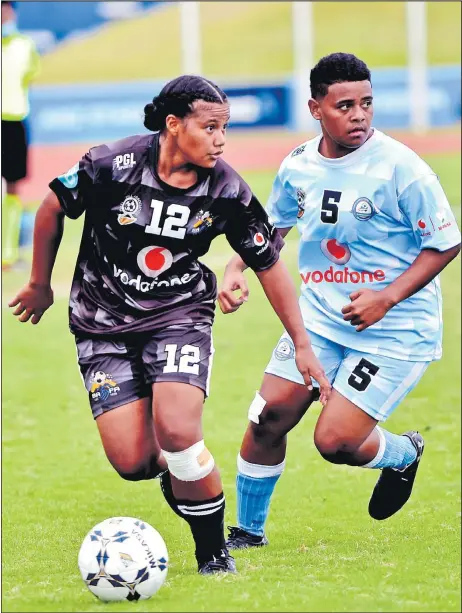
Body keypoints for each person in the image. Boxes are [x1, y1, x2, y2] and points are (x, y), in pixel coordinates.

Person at [8, 75, 331, 575]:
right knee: (132, 462)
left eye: (225, 128)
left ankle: (212, 554)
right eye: (210, 127)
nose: (221, 139)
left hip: (178, 317)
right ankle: (179, 475)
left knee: (179, 431)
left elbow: (269, 265)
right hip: (101, 324)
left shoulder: (226, 189)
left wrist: (302, 343)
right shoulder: (110, 164)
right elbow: (52, 206)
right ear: (173, 124)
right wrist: (38, 283)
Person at [219, 53, 461, 550]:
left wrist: (387, 299)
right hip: (320, 321)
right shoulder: (299, 164)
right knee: (268, 418)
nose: (359, 115)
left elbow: (446, 241)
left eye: (367, 103)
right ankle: (248, 531)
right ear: (315, 108)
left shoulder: (402, 168)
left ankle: (402, 454)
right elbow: (274, 230)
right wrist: (237, 266)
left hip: (396, 329)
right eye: (345, 105)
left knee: (335, 442)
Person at [2, 0, 41, 270]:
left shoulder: (24, 45)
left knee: (13, 187)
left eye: (6, 7)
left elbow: (28, 78)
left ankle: (8, 252)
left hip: (14, 120)